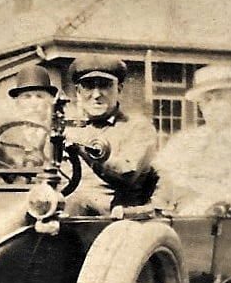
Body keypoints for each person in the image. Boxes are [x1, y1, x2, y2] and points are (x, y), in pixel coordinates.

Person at [151, 63, 231, 215]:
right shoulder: (183, 142)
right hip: (181, 224)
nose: (213, 106)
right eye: (207, 100)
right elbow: (164, 184)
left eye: (219, 98)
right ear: (200, 106)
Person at [62, 55, 159, 214]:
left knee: (73, 203)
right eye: (88, 86)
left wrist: (82, 148)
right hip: (67, 211)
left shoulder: (138, 128)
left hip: (114, 218)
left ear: (119, 89)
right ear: (78, 92)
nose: (96, 95)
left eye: (105, 86)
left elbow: (128, 174)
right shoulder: (69, 129)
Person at [0, 64, 59, 169]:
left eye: (39, 96)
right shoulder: (5, 138)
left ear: (49, 101)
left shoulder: (58, 135)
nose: (34, 103)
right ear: (18, 103)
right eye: (27, 97)